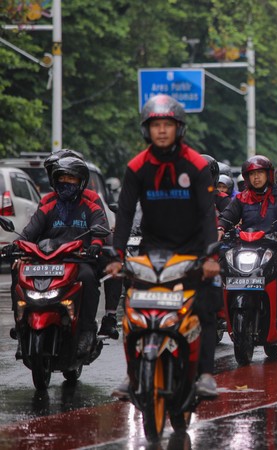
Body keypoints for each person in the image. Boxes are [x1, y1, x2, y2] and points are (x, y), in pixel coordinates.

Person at [106, 94, 221, 398]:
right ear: (147, 129)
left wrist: (211, 256)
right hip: (151, 251)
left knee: (207, 303)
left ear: (179, 128)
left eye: (167, 124)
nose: (161, 130)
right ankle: (132, 376)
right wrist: (117, 255)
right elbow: (126, 212)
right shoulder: (136, 167)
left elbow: (208, 213)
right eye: (155, 124)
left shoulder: (195, 165)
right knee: (132, 309)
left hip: (194, 251)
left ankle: (206, 374)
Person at [4, 156, 109, 356]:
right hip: (47, 260)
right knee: (18, 273)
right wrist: (14, 246)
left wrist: (95, 245)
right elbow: (29, 233)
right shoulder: (48, 205)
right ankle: (21, 328)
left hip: (78, 260)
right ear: (55, 180)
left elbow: (100, 229)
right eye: (63, 178)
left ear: (81, 182)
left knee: (87, 277)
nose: (67, 183)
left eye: (72, 179)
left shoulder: (91, 204)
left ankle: (86, 331)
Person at [217, 155, 277, 325]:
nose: (256, 178)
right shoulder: (241, 198)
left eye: (260, 173)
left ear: (268, 175)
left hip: (275, 247)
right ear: (247, 178)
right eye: (252, 174)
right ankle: (220, 313)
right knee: (218, 264)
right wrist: (220, 229)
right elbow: (227, 217)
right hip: (246, 248)